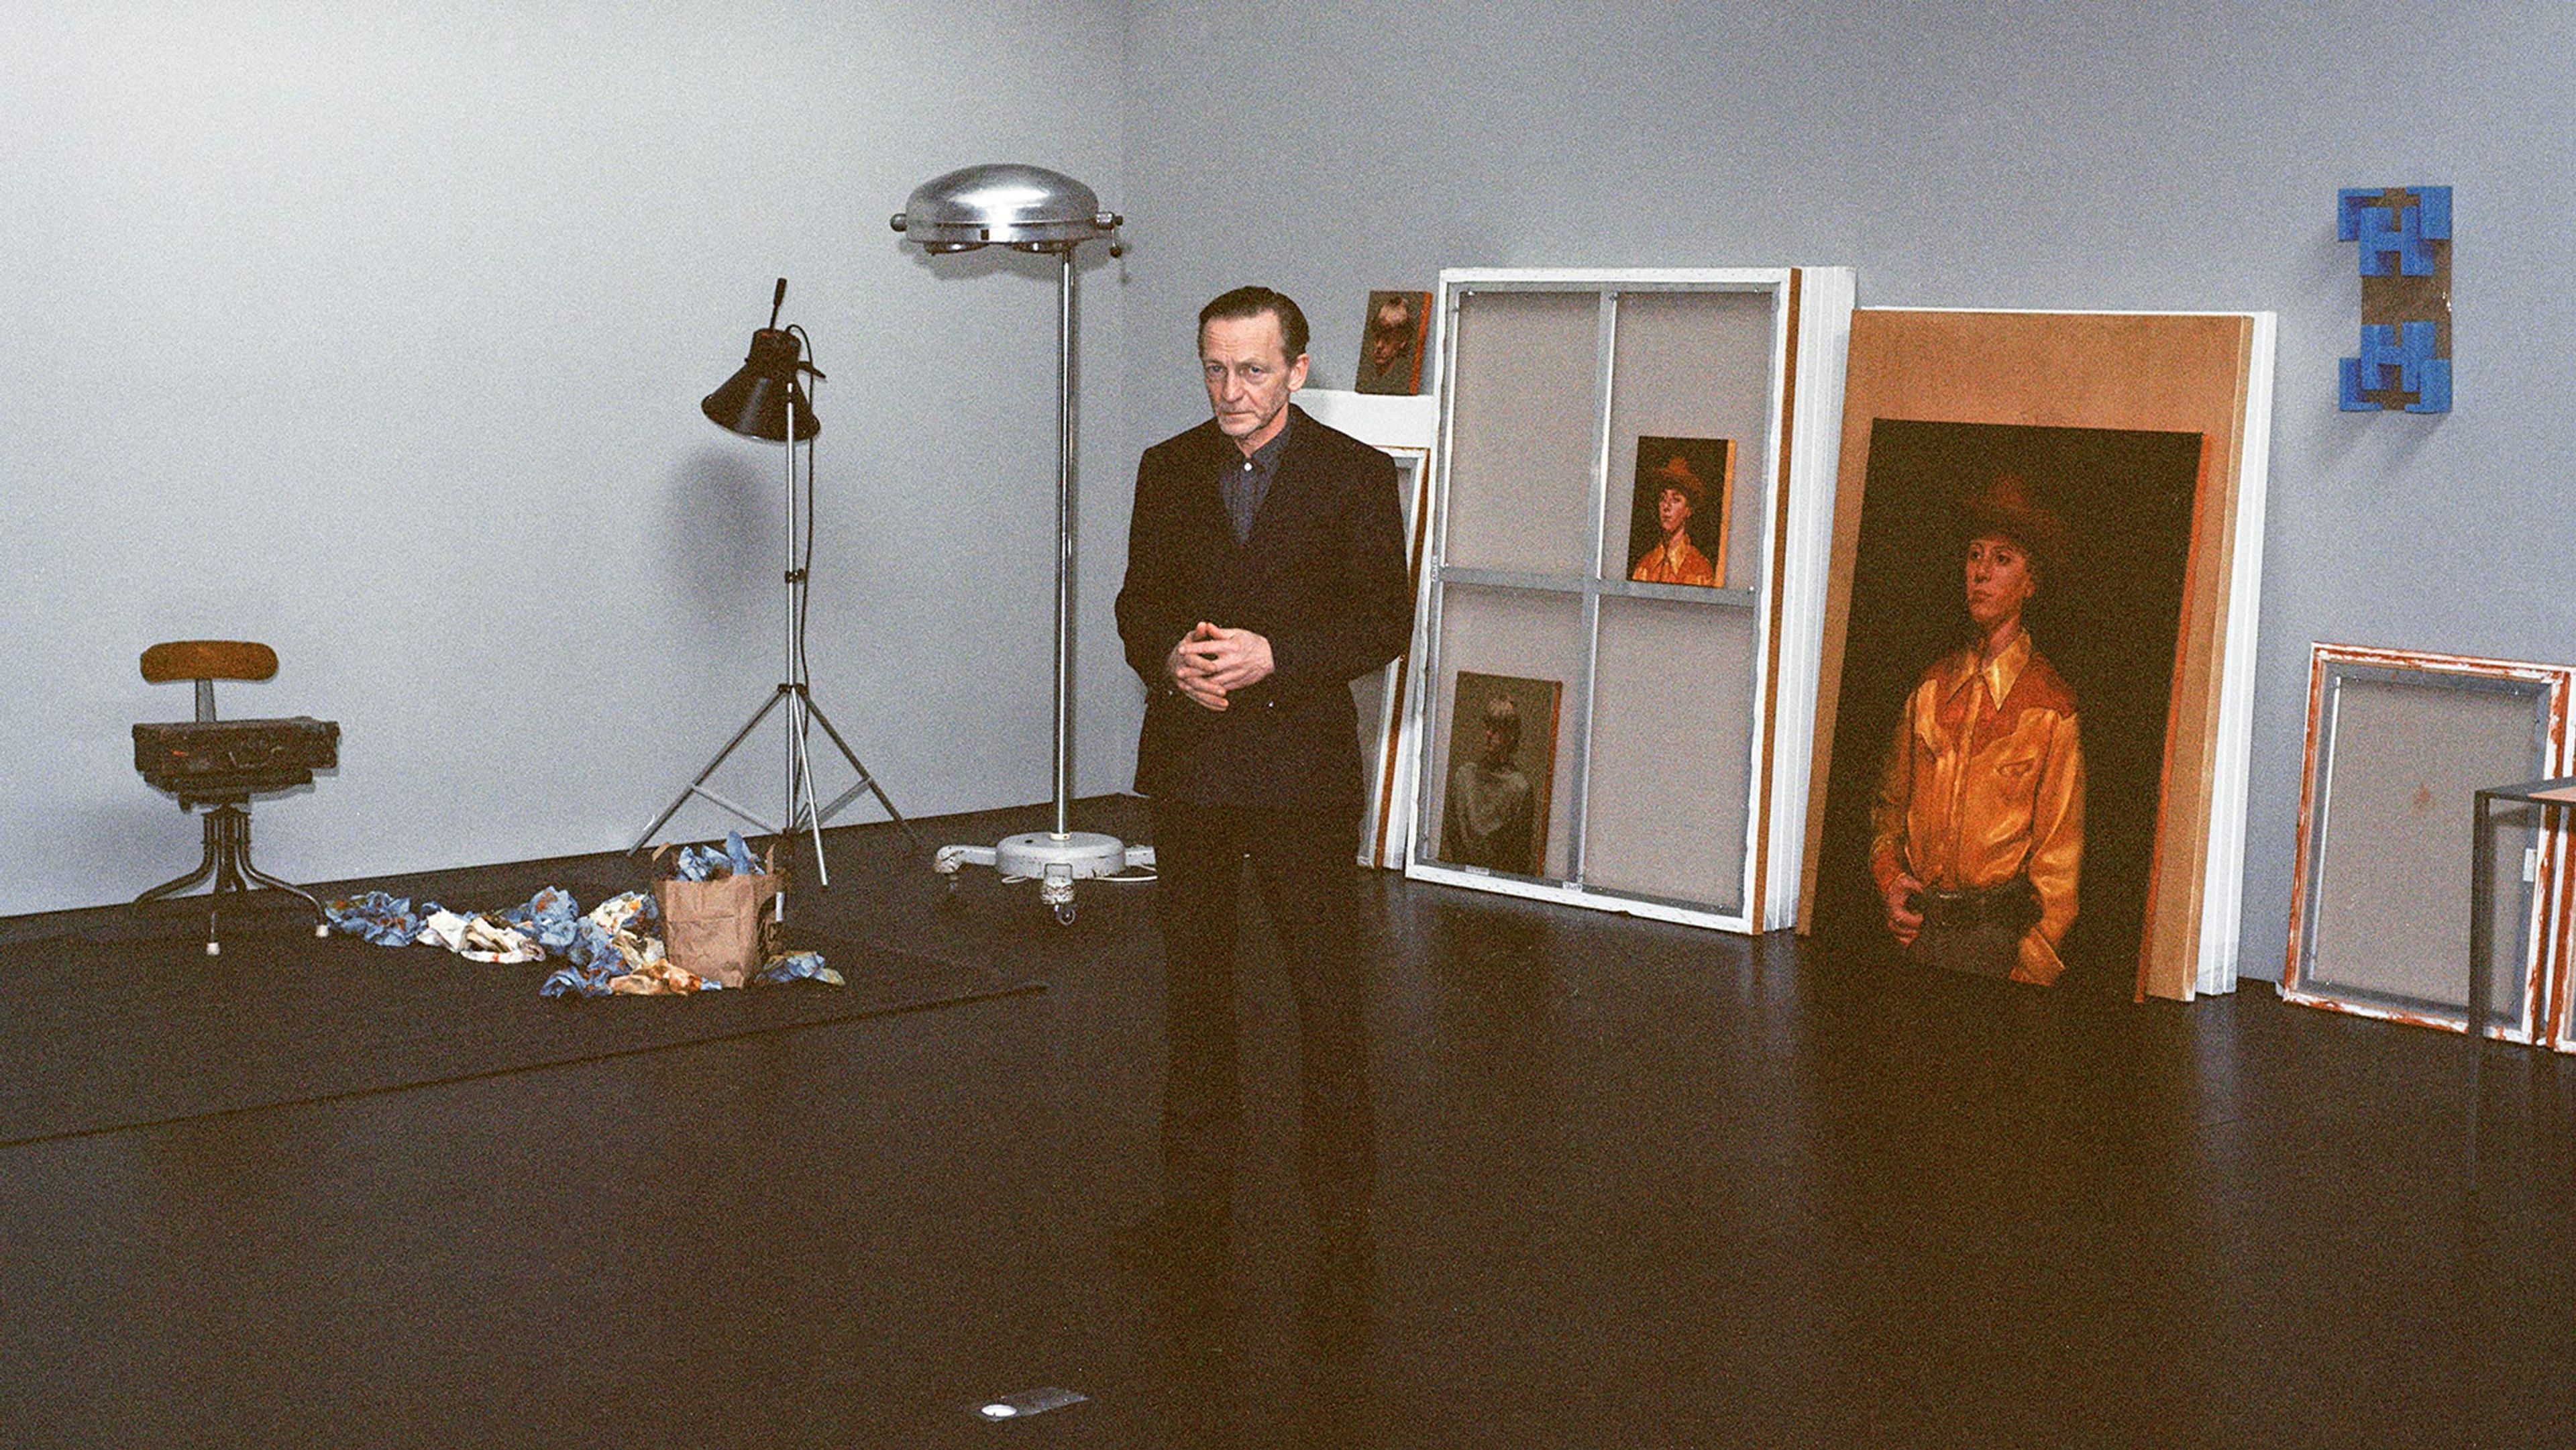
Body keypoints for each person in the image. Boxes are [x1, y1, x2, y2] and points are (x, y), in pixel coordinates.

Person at [1114, 285, 1413, 1345]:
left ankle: (1342, 1215)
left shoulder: (1356, 475)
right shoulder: (1166, 467)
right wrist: (1170, 658)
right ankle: (1196, 1202)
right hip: (1193, 767)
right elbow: (1137, 600)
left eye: (1251, 370)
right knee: (1196, 994)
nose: (1230, 390)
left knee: (1324, 995)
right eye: (1214, 368)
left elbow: (1384, 621)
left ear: (1297, 369)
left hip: (1300, 777)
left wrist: (1273, 655)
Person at [1868, 476, 2084, 985]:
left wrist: (2029, 968)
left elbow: (2058, 869)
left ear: (2031, 583)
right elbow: (1888, 810)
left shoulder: (2051, 710)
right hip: (1917, 932)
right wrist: (1891, 881)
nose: (1981, 573)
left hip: (1998, 943)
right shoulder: (1930, 689)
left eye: (2002, 559)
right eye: (1974, 555)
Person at [1440, 695, 1534, 873]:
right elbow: (1453, 835)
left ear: (1511, 736)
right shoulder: (1464, 777)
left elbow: (1518, 856)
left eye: (1497, 729)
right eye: (1487, 727)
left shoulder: (1520, 789)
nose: (1489, 734)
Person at [1629, 454, 1719, 586]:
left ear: (1688, 510)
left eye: (1676, 500)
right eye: (1663, 498)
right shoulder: (1645, 566)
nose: (1666, 507)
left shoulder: (1700, 569)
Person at [1353, 293, 1423, 395]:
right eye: (1377, 338)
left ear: (1403, 341)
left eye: (1387, 340)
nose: (1379, 346)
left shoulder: (1403, 382)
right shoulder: (1366, 379)